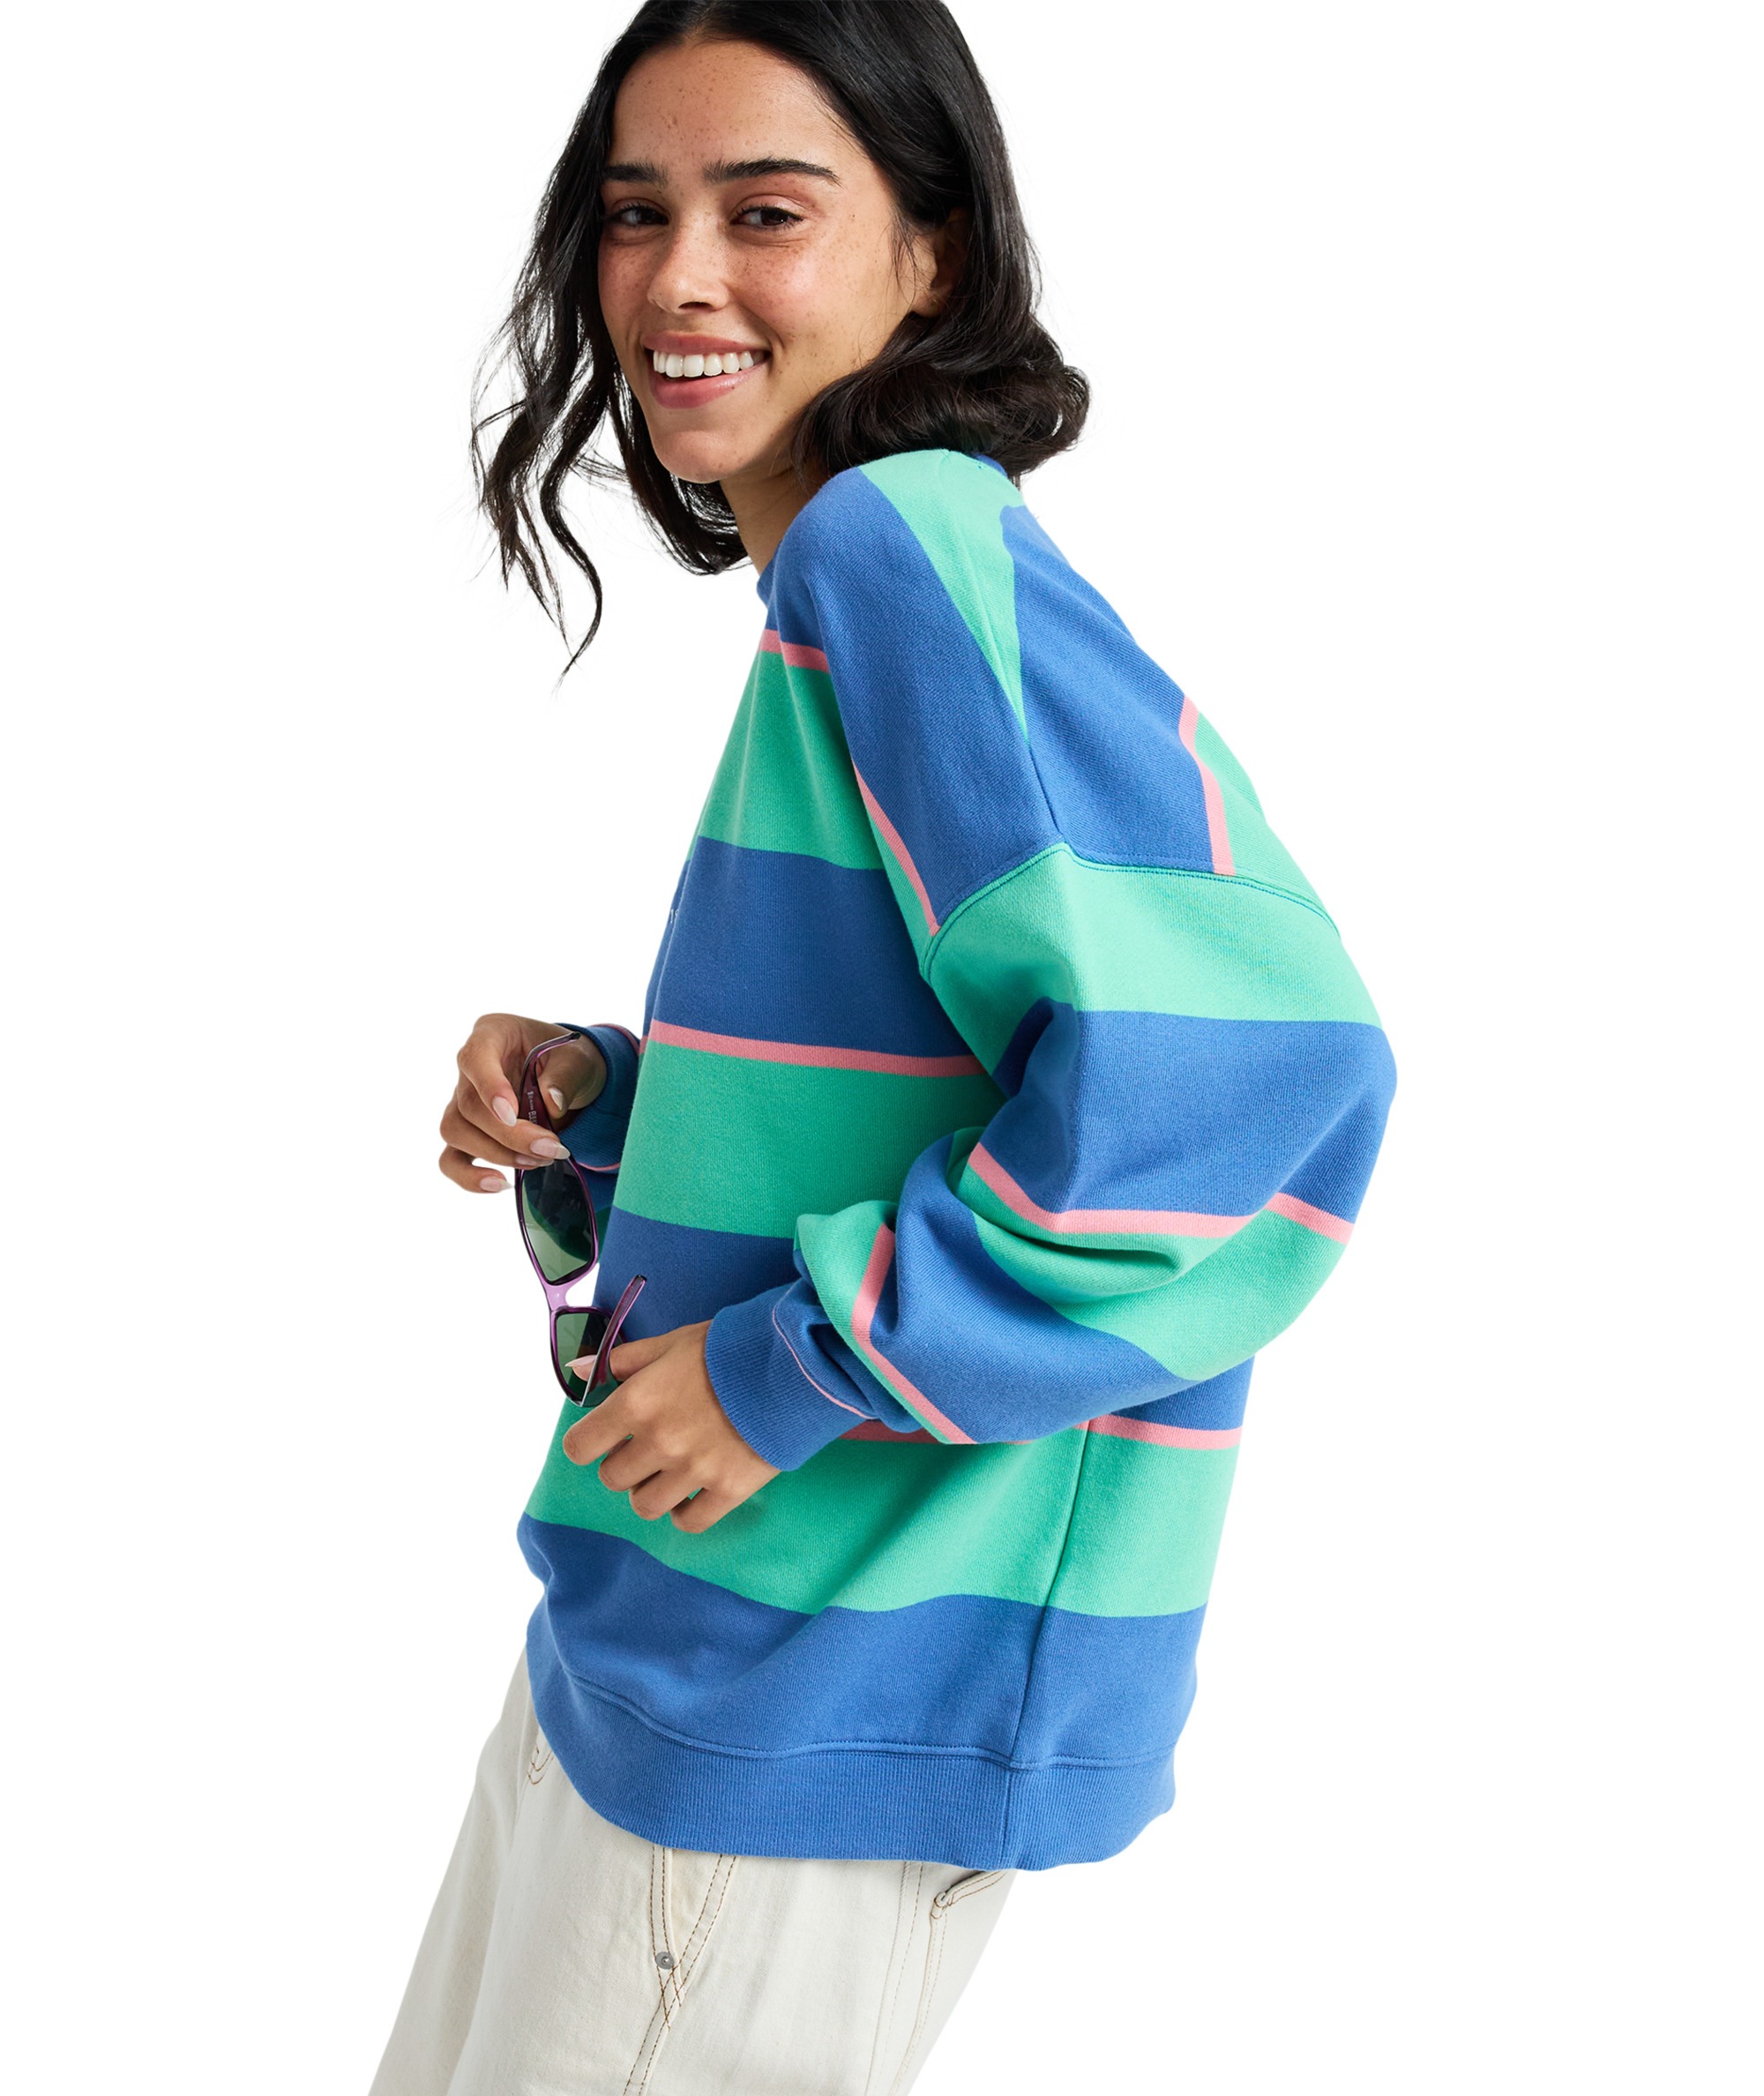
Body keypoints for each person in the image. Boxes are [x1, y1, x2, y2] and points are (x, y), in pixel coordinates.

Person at [372, 4, 1396, 2091]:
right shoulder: (852, 585)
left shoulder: (900, 547)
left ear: (932, 253)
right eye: (635, 214)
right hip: (671, 1645)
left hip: (803, 1694)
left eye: (766, 213)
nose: (678, 279)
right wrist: (617, 1099)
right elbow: (950, 1072)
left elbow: (1259, 1070)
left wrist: (801, 1368)